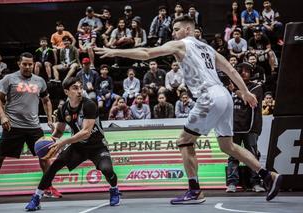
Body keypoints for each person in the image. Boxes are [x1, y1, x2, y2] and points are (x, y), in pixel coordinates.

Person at [94, 15, 282, 204]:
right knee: (228, 146)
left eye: (176, 29)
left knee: (184, 141)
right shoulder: (208, 49)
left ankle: (195, 191)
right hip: (224, 95)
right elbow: (231, 71)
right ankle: (268, 176)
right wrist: (245, 92)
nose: (173, 33)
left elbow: (146, 53)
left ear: (188, 30)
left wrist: (115, 51)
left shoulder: (181, 44)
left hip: (208, 96)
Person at [25, 77, 121, 211]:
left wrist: (63, 142)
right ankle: (36, 198)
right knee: (53, 167)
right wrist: (48, 144)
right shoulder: (63, 109)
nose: (79, 91)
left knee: (107, 169)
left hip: (97, 146)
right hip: (78, 147)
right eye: (75, 88)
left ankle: (114, 189)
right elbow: (59, 131)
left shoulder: (89, 105)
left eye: (80, 87)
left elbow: (86, 132)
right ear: (66, 92)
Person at [0, 52, 60, 202]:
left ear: (33, 64)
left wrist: (50, 118)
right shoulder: (8, 79)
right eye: (24, 64)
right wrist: (3, 116)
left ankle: (48, 186)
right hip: (13, 125)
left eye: (30, 64)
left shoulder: (39, 81)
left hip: (33, 126)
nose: (27, 66)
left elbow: (46, 100)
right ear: (19, 63)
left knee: (45, 156)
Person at [226, 62, 265, 193]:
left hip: (250, 127)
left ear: (252, 73)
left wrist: (234, 90)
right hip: (233, 127)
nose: (244, 73)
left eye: (247, 70)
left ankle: (255, 183)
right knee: (233, 156)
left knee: (252, 156)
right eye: (241, 70)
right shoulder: (230, 86)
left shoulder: (256, 86)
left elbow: (249, 99)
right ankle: (232, 183)